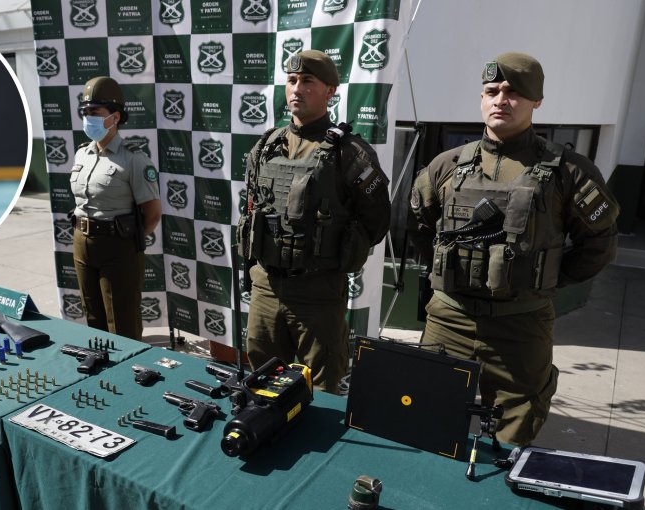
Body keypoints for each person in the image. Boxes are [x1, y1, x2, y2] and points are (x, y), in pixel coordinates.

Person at [409, 52, 619, 445]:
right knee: (425, 421)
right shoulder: (445, 166)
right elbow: (422, 230)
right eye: (492, 91)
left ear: (537, 101)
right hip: (448, 320)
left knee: (513, 434)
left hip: (520, 328)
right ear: (481, 97)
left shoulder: (568, 171)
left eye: (513, 93)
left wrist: (545, 278)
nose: (501, 100)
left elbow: (599, 245)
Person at [238, 50, 391, 394]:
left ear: (330, 91)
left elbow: (377, 220)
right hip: (266, 286)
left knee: (320, 389)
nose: (296, 89)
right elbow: (251, 209)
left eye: (308, 81)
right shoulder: (266, 146)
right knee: (262, 383)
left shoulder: (349, 152)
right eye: (291, 81)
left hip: (317, 294)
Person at [69, 76, 161, 341]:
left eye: (95, 112)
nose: (88, 118)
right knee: (93, 318)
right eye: (85, 112)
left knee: (122, 325)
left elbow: (153, 214)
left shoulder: (134, 159)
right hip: (82, 243)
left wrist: (125, 240)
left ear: (115, 117)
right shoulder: (82, 154)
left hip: (118, 246)